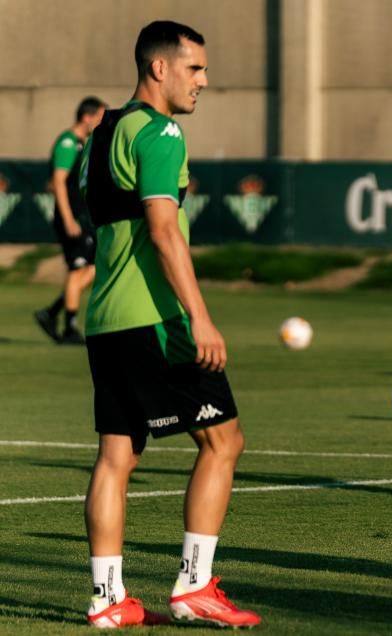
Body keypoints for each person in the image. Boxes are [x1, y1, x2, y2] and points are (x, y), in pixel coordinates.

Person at [80, 21, 260, 628]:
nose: (204, 81)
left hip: (104, 318)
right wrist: (201, 317)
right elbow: (161, 231)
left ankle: (108, 599)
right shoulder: (159, 131)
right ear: (159, 68)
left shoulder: (103, 130)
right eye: (195, 69)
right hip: (155, 319)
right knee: (223, 441)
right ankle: (194, 587)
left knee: (116, 456)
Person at [34, 97, 107, 345]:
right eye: (99, 117)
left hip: (82, 217)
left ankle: (52, 312)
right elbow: (58, 182)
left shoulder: (81, 144)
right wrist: (68, 219)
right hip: (72, 218)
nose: (100, 122)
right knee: (78, 270)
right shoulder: (67, 142)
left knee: (93, 268)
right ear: (86, 117)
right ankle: (70, 327)